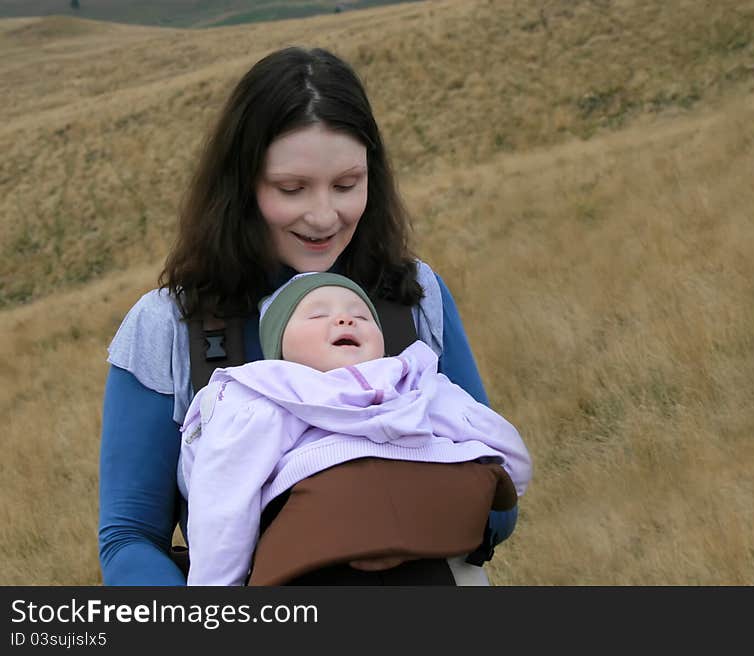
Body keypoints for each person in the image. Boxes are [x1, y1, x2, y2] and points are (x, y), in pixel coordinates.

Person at [98, 46, 521, 586]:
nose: (324, 216)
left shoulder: (414, 295)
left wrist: (393, 518)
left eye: (347, 184)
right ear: (241, 186)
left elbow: (499, 502)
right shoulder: (169, 325)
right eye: (292, 189)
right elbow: (128, 538)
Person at [179, 272, 531, 586]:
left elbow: (494, 438)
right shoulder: (271, 395)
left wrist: (504, 480)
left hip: (432, 535)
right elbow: (224, 493)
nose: (346, 318)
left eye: (362, 315)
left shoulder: (414, 382)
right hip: (321, 559)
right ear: (278, 349)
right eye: (318, 314)